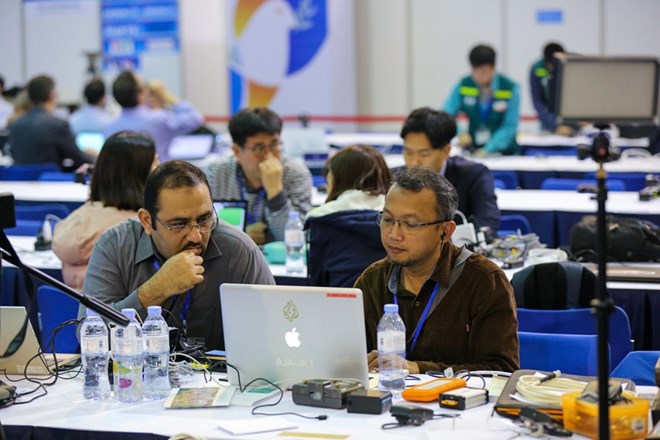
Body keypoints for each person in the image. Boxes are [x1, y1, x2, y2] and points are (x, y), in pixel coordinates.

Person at [79, 160, 275, 350]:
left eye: (204, 219)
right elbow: (88, 336)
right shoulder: (115, 245)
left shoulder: (239, 250)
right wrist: (157, 289)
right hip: (138, 375)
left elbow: (274, 331)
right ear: (147, 221)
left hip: (220, 378)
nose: (196, 235)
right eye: (179, 224)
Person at [356, 167, 519, 373]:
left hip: (456, 403)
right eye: (388, 220)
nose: (394, 234)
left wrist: (419, 368)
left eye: (411, 224)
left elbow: (502, 370)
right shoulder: (372, 281)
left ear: (445, 231)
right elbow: (347, 355)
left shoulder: (484, 281)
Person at [52, 132, 158, 290]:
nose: (160, 167)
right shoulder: (140, 228)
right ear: (138, 172)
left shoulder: (78, 218)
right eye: (155, 161)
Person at [206, 107, 312, 244]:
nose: (269, 155)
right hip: (232, 257)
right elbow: (205, 229)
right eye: (259, 148)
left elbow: (297, 238)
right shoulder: (216, 174)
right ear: (237, 151)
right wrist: (241, 236)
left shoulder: (296, 173)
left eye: (274, 144)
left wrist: (275, 192)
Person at [400, 107, 500, 232]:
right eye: (408, 152)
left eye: (424, 154)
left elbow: (487, 224)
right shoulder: (393, 179)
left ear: (446, 151)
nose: (414, 162)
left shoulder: (473, 176)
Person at [104, 71, 203, 161]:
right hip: (156, 178)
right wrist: (166, 95)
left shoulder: (109, 127)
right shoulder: (159, 119)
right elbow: (195, 118)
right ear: (140, 95)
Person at [443, 44, 520, 155]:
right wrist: (460, 132)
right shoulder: (464, 85)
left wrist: (488, 149)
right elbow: (446, 114)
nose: (478, 75)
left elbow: (509, 127)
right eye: (475, 70)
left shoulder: (510, 88)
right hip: (473, 149)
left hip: (504, 152)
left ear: (493, 67)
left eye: (483, 71)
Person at [8, 75, 95, 170]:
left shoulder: (15, 126)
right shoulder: (58, 125)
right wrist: (96, 158)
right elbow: (78, 158)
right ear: (52, 95)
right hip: (50, 181)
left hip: (20, 182)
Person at [306, 145, 392, 218]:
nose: (326, 186)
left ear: (338, 182)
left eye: (328, 181)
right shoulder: (396, 214)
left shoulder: (318, 217)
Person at [529, 42, 574, 136]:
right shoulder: (537, 68)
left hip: (571, 121)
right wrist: (555, 125)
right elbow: (537, 101)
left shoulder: (572, 65)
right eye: (550, 65)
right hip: (548, 121)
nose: (553, 69)